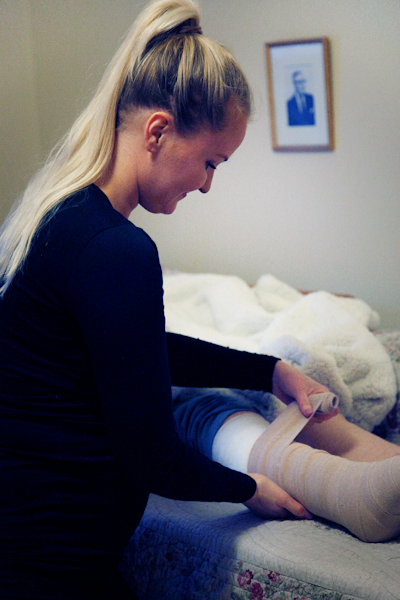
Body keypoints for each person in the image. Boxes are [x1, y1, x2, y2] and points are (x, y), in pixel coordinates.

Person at [0, 1, 330, 598]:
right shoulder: (115, 248)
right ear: (157, 131)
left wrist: (267, 371)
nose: (207, 184)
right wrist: (250, 489)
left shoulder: (58, 215)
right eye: (210, 162)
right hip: (49, 564)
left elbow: (136, 351)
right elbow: (152, 456)